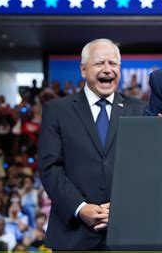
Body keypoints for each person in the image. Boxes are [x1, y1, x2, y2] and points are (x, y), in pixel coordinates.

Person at [38, 38, 146, 250]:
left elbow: (147, 168)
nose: (108, 70)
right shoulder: (57, 111)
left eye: (113, 64)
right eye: (99, 64)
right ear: (83, 69)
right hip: (73, 235)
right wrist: (80, 208)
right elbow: (50, 168)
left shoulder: (140, 110)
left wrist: (123, 206)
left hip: (127, 234)